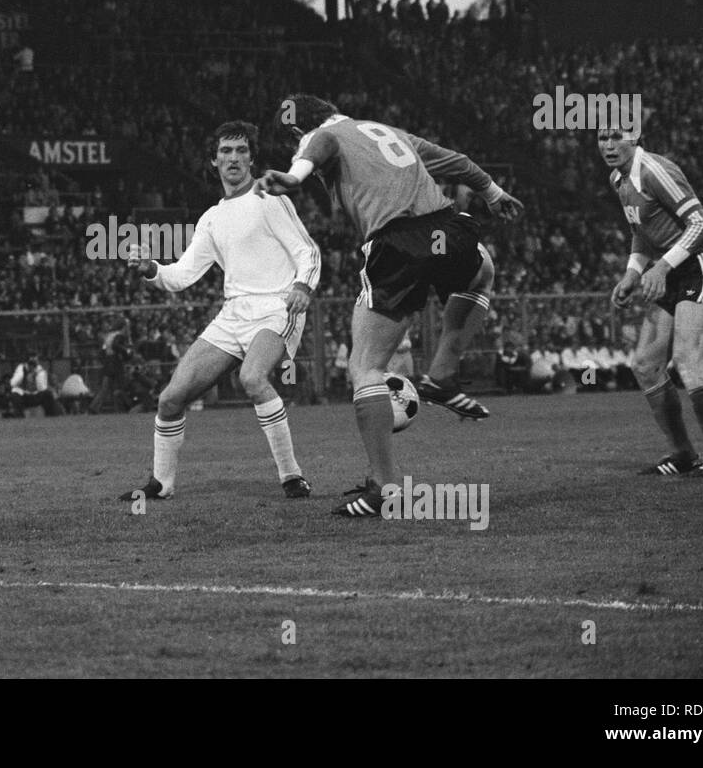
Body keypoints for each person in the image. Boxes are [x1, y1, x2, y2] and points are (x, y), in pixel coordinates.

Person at [255, 94, 523, 519]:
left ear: (296, 131)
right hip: (448, 227)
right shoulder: (388, 132)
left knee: (364, 368)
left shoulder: (323, 136)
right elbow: (456, 161)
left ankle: (385, 488)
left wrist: (293, 176)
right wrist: (492, 191)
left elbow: (315, 149)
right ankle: (441, 376)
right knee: (483, 269)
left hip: (398, 245)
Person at [119, 121, 321, 501]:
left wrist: (302, 286)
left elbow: (307, 251)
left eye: (241, 151)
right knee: (169, 399)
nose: (233, 157)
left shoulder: (270, 198)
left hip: (276, 306)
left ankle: (292, 476)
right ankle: (161, 484)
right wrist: (151, 268)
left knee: (252, 378)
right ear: (213, 160)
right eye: (225, 151)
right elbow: (181, 276)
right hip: (234, 314)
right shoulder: (211, 217)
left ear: (251, 159)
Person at [601, 125, 703, 477]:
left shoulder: (654, 170)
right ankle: (682, 453)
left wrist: (661, 268)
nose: (609, 144)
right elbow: (641, 234)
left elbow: (701, 225)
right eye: (602, 138)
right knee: (645, 365)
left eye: (616, 136)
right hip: (670, 271)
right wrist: (632, 273)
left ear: (635, 137)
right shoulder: (619, 179)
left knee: (686, 358)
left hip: (699, 264)